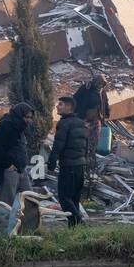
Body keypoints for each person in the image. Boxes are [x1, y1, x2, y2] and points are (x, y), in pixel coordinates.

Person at [46, 95, 89, 226]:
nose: (57, 106)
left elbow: (58, 145)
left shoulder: (64, 123)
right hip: (80, 166)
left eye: (61, 104)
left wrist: (51, 163)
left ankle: (79, 223)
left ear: (69, 107)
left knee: (64, 198)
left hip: (68, 166)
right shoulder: (81, 123)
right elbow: (86, 146)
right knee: (74, 199)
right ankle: (74, 229)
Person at [0, 102, 35, 207]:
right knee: (7, 203)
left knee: (30, 200)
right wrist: (8, 164)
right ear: (19, 115)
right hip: (9, 171)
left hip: (21, 170)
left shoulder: (19, 127)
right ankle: (5, 218)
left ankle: (24, 219)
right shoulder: (4, 126)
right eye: (27, 117)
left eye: (30, 117)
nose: (29, 120)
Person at [73, 73, 110, 168]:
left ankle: (90, 162)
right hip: (84, 120)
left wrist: (106, 114)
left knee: (94, 142)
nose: (100, 85)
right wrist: (77, 113)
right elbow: (75, 100)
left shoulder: (102, 91)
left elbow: (105, 102)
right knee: (83, 141)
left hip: (96, 120)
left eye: (102, 84)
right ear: (94, 82)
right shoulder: (86, 89)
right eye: (98, 83)